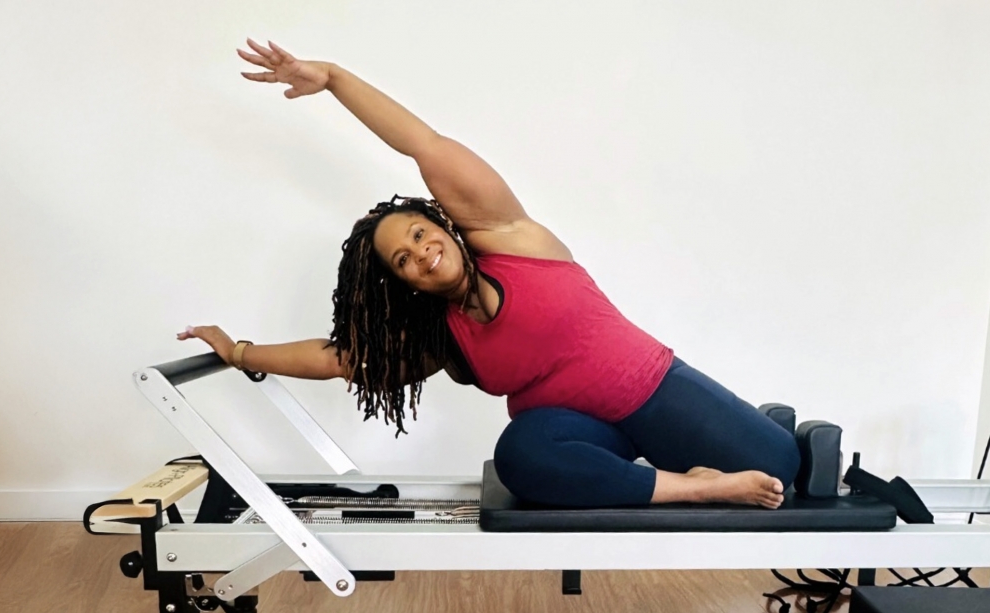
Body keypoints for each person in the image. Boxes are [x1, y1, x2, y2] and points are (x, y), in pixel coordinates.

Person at [178, 39, 800, 510]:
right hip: (582, 435)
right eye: (403, 260)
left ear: (445, 226)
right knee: (520, 455)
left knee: (778, 462)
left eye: (420, 234)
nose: (420, 254)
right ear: (406, 283)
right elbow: (342, 356)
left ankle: (758, 428)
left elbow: (424, 144)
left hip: (652, 388)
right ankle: (690, 488)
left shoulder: (508, 236)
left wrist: (336, 79)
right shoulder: (443, 338)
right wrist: (239, 351)